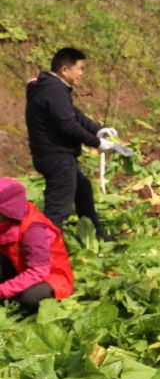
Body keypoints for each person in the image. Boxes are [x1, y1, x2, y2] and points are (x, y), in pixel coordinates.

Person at [25, 47, 115, 239]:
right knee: (58, 210)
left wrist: (97, 129)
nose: (82, 74)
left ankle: (97, 235)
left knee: (83, 189)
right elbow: (68, 126)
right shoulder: (54, 90)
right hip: (56, 156)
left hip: (53, 155)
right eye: (80, 69)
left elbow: (74, 115)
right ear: (64, 70)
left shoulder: (49, 87)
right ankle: (42, 254)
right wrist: (97, 143)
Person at [0, 178, 74, 314]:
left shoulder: (33, 229)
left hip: (49, 276)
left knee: (31, 298)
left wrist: (3, 290)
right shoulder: (7, 220)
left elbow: (38, 272)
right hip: (18, 266)